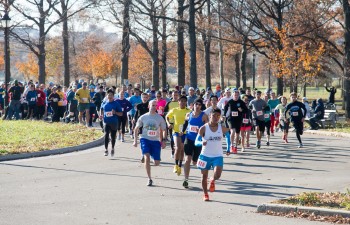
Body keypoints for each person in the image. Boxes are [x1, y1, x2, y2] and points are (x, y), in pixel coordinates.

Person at [196, 108, 230, 201]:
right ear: (210, 115)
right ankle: (205, 194)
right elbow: (196, 141)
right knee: (203, 176)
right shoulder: (203, 128)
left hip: (217, 155)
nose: (216, 117)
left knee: (218, 175)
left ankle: (213, 179)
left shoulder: (221, 127)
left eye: (218, 116)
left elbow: (227, 136)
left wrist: (228, 148)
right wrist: (201, 143)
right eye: (214, 115)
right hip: (205, 155)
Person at [133, 100, 167, 186]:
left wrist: (163, 141)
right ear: (148, 106)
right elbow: (136, 129)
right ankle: (149, 178)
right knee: (147, 156)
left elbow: (164, 130)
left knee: (157, 163)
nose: (154, 107)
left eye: (155, 106)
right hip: (145, 138)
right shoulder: (143, 117)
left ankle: (149, 157)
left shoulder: (160, 118)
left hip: (155, 141)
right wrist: (135, 141)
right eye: (152, 105)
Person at [182, 98, 208, 188]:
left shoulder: (204, 116)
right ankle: (186, 179)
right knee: (187, 159)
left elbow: (207, 128)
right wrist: (183, 131)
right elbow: (185, 124)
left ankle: (196, 162)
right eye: (196, 104)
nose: (197, 106)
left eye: (199, 105)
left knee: (194, 161)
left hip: (198, 140)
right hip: (188, 139)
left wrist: (201, 132)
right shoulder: (188, 114)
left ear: (201, 106)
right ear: (193, 105)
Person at [166, 95, 191, 176]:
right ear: (178, 102)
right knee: (178, 148)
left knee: (182, 149)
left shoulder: (189, 111)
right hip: (176, 131)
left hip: (185, 133)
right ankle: (176, 165)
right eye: (181, 101)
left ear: (186, 102)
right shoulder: (174, 110)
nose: (183, 102)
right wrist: (168, 123)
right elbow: (167, 116)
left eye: (184, 101)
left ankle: (180, 165)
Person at [223, 89, 247, 154]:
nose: (236, 96)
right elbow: (225, 108)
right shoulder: (230, 101)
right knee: (232, 131)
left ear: (238, 95)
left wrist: (241, 110)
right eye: (234, 95)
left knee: (237, 133)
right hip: (231, 119)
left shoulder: (241, 102)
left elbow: (246, 110)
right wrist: (224, 115)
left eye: (237, 95)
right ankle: (231, 145)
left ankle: (235, 146)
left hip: (238, 119)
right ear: (232, 95)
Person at [100, 89, 123, 156]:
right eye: (108, 95)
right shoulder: (104, 103)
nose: (110, 96)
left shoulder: (116, 104)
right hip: (106, 122)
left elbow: (121, 114)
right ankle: (106, 150)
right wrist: (101, 115)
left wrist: (115, 112)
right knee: (106, 135)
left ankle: (112, 148)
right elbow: (101, 109)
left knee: (113, 137)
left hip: (114, 122)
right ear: (107, 96)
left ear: (113, 96)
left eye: (111, 95)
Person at [134, 92, 150, 162]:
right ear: (141, 98)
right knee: (142, 140)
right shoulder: (139, 106)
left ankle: (147, 154)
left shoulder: (150, 105)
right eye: (143, 97)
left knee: (148, 140)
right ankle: (143, 154)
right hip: (140, 124)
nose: (145, 99)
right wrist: (134, 119)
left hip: (149, 125)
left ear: (148, 98)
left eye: (146, 97)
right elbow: (137, 113)